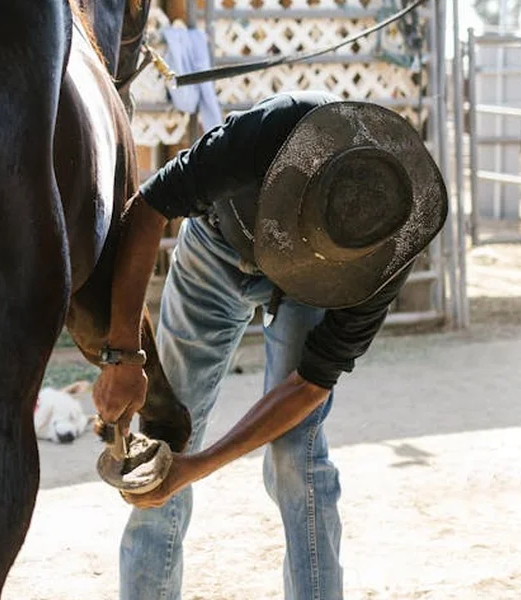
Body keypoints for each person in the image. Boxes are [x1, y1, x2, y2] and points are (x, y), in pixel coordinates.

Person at [92, 90, 448, 600]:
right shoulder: (267, 133)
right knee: (165, 435)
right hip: (218, 246)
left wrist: (202, 466)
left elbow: (311, 383)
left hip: (320, 285)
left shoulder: (388, 243)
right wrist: (124, 353)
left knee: (295, 456)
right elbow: (149, 208)